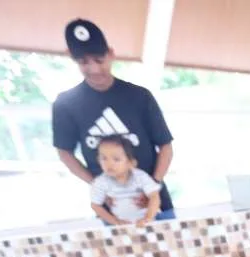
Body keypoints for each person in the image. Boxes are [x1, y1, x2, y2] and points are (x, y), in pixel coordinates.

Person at [52, 19, 176, 220]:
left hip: (156, 201)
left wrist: (152, 185)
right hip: (113, 209)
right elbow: (64, 153)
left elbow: (166, 146)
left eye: (99, 60)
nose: (93, 69)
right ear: (71, 58)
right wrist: (99, 186)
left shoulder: (139, 96)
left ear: (111, 53)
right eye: (84, 62)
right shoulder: (65, 104)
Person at [89, 134, 161, 225]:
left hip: (149, 223)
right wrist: (115, 222)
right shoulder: (100, 182)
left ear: (131, 163)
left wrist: (148, 218)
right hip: (121, 226)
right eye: (104, 158)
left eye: (116, 159)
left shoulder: (140, 176)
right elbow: (95, 205)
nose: (109, 164)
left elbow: (154, 196)